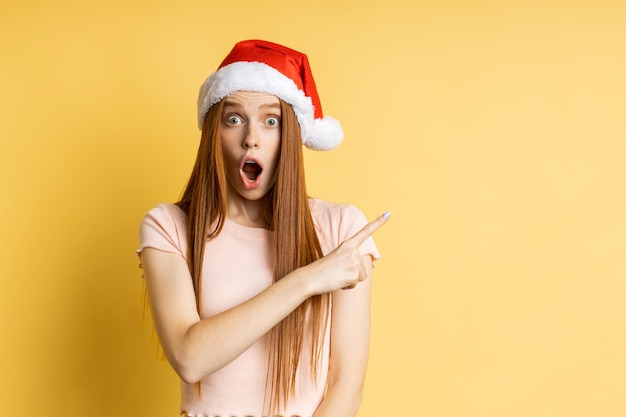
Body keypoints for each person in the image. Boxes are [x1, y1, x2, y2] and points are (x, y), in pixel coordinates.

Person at [137, 39, 390, 417]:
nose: (251, 137)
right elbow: (190, 358)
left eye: (270, 121)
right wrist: (309, 279)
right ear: (213, 134)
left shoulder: (341, 230)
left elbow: (346, 387)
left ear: (289, 136)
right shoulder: (169, 227)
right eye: (234, 118)